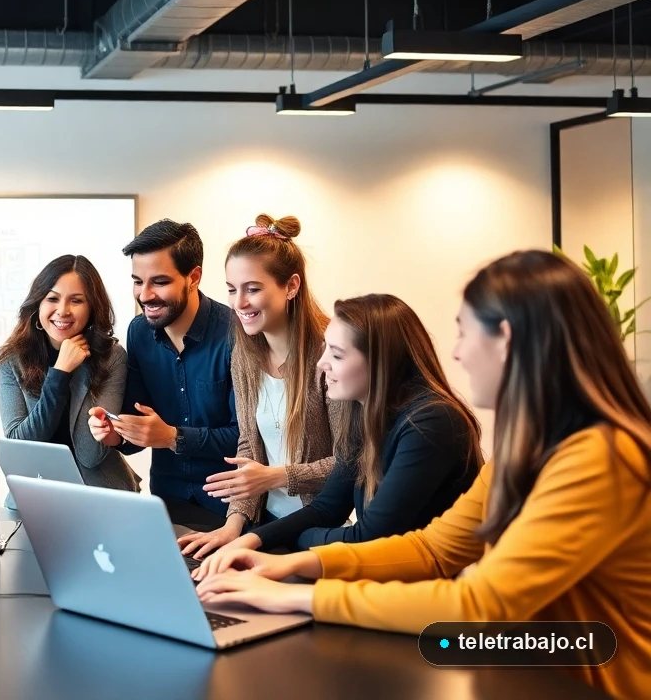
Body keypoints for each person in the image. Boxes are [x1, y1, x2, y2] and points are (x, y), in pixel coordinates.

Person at [194, 251, 651, 700]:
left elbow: (480, 606)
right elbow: (434, 548)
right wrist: (290, 564)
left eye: (463, 333)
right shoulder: (530, 448)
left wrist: (296, 598)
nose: (456, 352)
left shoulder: (599, 456)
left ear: (505, 339)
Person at [191, 292, 482, 577]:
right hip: (386, 582)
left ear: (381, 362)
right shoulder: (363, 413)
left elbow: (370, 538)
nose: (322, 363)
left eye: (337, 354)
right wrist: (250, 541)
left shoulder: (432, 423)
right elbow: (327, 507)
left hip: (427, 597)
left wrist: (293, 542)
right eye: (326, 348)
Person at [176, 215, 345, 559]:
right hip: (267, 524)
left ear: (291, 286)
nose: (238, 303)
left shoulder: (331, 354)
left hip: (325, 530)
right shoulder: (244, 354)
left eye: (252, 289)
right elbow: (249, 447)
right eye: (231, 289)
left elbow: (349, 462)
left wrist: (277, 476)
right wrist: (232, 525)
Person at [88, 219, 238, 530]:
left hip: (231, 509)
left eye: (159, 281)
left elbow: (247, 437)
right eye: (137, 281)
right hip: (167, 502)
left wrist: (173, 437)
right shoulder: (139, 332)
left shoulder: (236, 334)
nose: (145, 295)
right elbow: (141, 427)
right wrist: (116, 433)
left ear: (193, 277)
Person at [0, 255, 138, 490]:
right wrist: (60, 372)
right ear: (37, 303)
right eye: (52, 298)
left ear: (92, 307)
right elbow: (21, 446)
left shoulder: (111, 357)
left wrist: (78, 369)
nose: (62, 311)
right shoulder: (12, 359)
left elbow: (90, 454)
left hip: (100, 491)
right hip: (36, 493)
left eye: (76, 301)